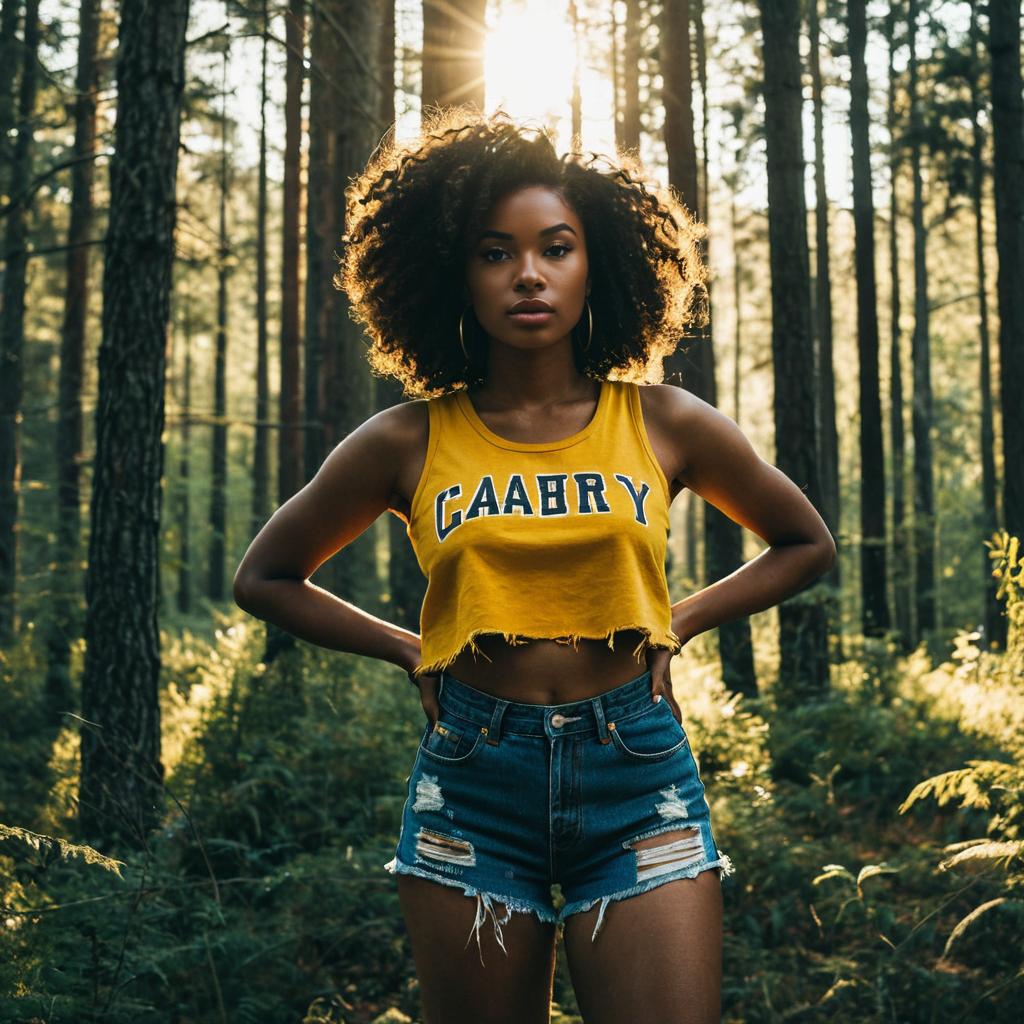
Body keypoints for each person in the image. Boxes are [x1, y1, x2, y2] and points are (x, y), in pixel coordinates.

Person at [233, 108, 836, 1024]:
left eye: (555, 247)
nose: (527, 274)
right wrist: (410, 649)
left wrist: (682, 621)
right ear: (454, 278)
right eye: (494, 253)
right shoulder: (407, 438)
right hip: (474, 775)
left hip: (636, 769)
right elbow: (266, 576)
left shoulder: (665, 422)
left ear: (596, 266)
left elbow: (805, 544)